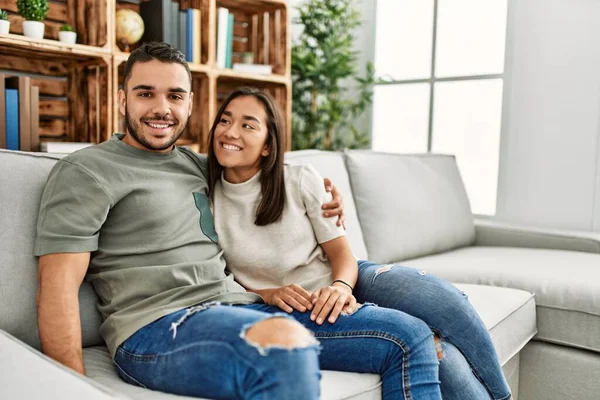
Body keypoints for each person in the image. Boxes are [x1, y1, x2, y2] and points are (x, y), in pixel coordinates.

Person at [34, 42, 442, 400]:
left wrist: (326, 195)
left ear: (191, 104)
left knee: (408, 335)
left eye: (175, 96)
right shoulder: (87, 171)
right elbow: (57, 289)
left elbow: (265, 169)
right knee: (284, 349)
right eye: (146, 94)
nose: (162, 108)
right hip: (156, 328)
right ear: (122, 98)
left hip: (243, 307)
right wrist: (74, 390)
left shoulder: (199, 166)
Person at [207, 86, 512, 400]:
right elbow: (223, 280)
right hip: (295, 306)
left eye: (247, 125)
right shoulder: (204, 200)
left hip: (346, 277)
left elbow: (342, 255)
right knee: (437, 350)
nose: (231, 132)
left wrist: (340, 287)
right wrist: (268, 293)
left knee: (445, 301)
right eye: (225, 121)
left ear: (268, 146)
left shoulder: (299, 179)